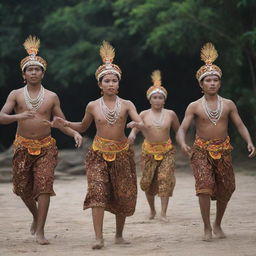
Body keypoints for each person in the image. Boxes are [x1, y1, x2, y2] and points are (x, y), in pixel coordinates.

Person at [51, 41, 143, 249]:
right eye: (106, 81)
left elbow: (140, 120)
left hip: (122, 153)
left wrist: (137, 125)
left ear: (119, 84)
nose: (110, 84)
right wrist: (64, 123)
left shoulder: (127, 104)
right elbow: (83, 127)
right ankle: (98, 237)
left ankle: (119, 235)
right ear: (100, 85)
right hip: (98, 154)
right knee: (97, 192)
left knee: (123, 193)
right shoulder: (92, 105)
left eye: (114, 80)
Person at [0, 36, 83, 245]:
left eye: (37, 69)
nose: (34, 72)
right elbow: (2, 117)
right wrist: (19, 117)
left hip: (46, 147)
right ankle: (36, 216)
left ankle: (41, 230)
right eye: (30, 69)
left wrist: (74, 133)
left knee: (44, 186)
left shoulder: (52, 96)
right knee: (21, 188)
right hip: (22, 146)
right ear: (24, 74)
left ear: (43, 73)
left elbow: (60, 122)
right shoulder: (16, 94)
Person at [176, 42, 255, 241]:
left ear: (219, 83)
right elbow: (182, 128)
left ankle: (218, 223)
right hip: (201, 151)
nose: (212, 83)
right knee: (204, 186)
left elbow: (240, 125)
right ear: (201, 84)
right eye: (208, 80)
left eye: (215, 80)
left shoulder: (228, 104)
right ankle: (206, 228)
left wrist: (249, 141)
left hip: (224, 150)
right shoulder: (194, 106)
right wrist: (182, 143)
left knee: (226, 188)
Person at [128, 70, 180, 222]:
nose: (157, 100)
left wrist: (183, 143)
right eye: (155, 98)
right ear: (150, 100)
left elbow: (179, 130)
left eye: (160, 98)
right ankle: (152, 210)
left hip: (167, 151)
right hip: (148, 151)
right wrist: (132, 134)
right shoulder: (144, 113)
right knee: (148, 181)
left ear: (164, 100)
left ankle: (163, 213)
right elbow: (138, 126)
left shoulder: (171, 114)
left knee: (165, 178)